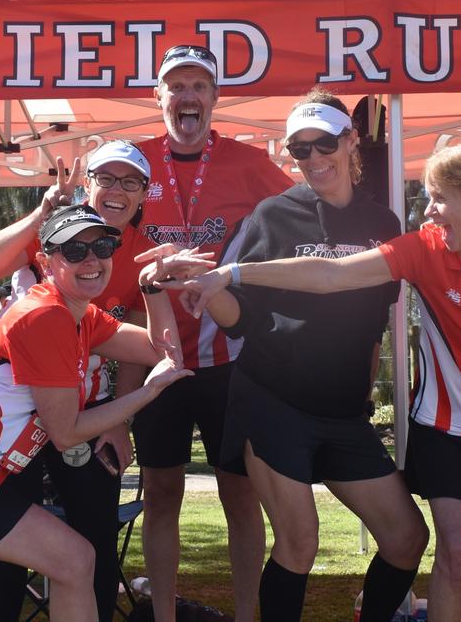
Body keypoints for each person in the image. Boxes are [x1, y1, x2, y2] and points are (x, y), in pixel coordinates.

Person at [168, 143, 461, 622]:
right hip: (432, 429)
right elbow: (331, 274)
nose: (428, 211)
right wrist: (231, 273)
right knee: (453, 555)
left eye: (439, 197)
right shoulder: (425, 247)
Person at [154, 90, 428, 622]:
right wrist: (213, 292)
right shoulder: (273, 215)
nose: (312, 159)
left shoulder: (384, 223)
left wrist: (362, 394)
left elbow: (375, 323)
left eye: (323, 143)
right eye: (299, 150)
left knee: (406, 538)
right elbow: (247, 318)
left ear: (351, 141)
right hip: (273, 400)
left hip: (343, 412)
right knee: (299, 543)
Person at [0, 204, 197, 622]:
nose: (91, 259)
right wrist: (146, 393)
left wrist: (152, 288)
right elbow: (65, 433)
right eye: (73, 251)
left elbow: (163, 350)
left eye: (101, 246)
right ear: (45, 262)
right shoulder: (46, 316)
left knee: (75, 560)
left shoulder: (82, 315)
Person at [129, 44, 293, 622]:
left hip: (233, 358)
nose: (187, 96)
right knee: (162, 495)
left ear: (216, 98)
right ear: (159, 98)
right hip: (159, 356)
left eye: (199, 85)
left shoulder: (250, 163)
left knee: (240, 496)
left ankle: (247, 615)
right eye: (176, 86)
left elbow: (301, 223)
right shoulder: (136, 161)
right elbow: (95, 237)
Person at [0, 140, 158, 622]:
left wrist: (121, 422)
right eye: (106, 178)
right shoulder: (54, 228)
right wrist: (38, 217)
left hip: (87, 412)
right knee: (6, 543)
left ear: (142, 195)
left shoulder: (142, 253)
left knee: (95, 541)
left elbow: (142, 349)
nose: (116, 190)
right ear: (87, 182)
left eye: (129, 181)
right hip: (18, 414)